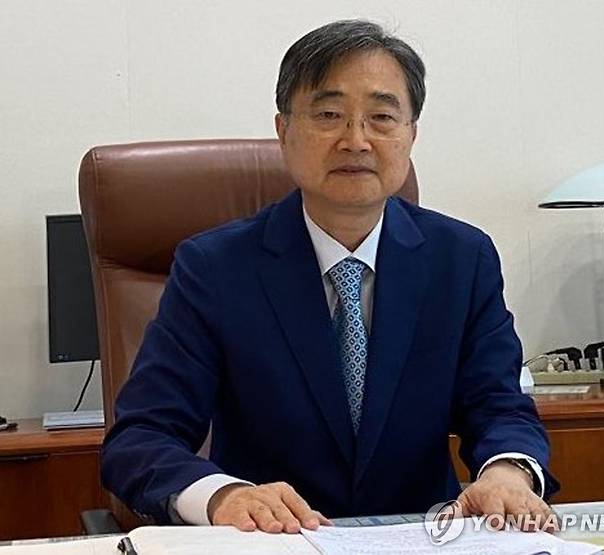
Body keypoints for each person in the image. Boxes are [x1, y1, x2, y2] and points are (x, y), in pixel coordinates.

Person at [101, 19, 559, 533]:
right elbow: (142, 437)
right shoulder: (214, 268)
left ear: (411, 135)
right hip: (273, 541)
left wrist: (507, 473)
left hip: (421, 537)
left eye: (382, 117)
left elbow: (499, 406)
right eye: (328, 115)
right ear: (283, 132)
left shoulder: (462, 259)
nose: (356, 141)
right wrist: (223, 497)